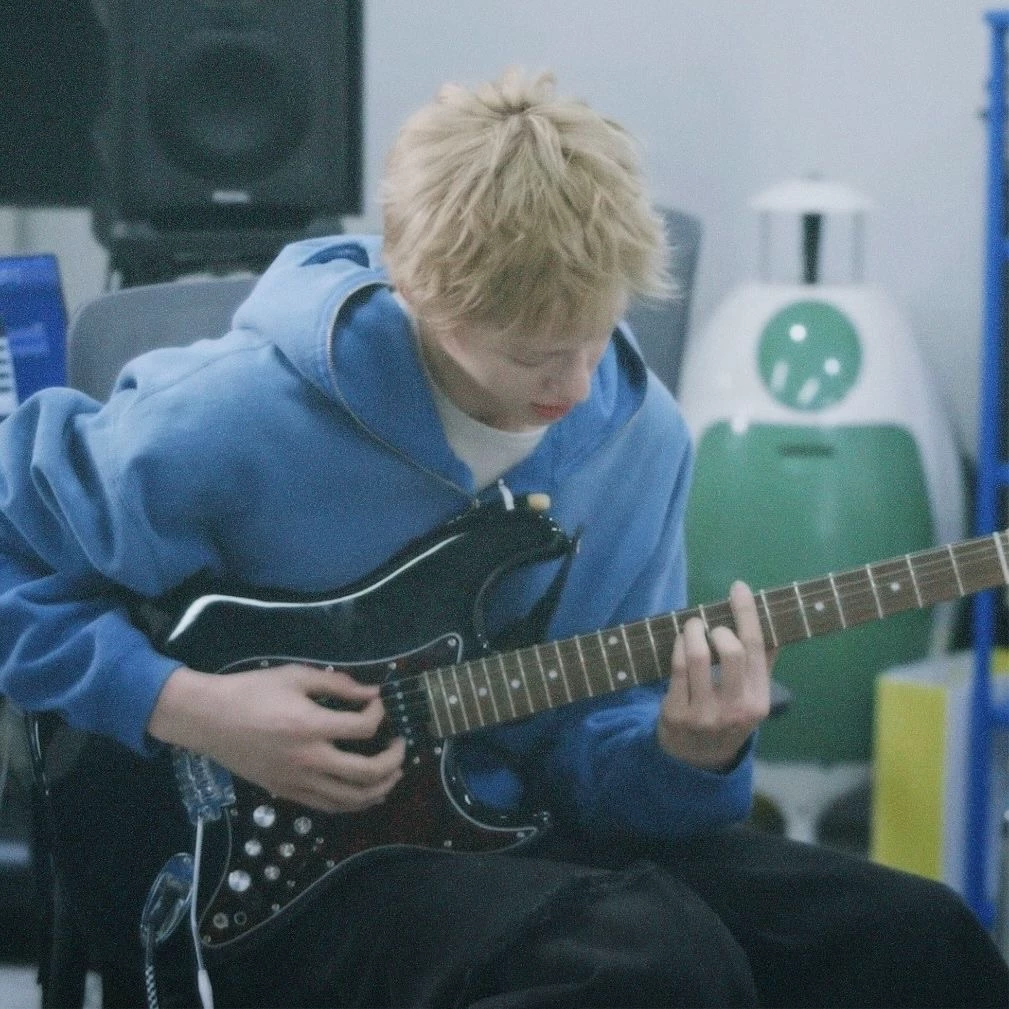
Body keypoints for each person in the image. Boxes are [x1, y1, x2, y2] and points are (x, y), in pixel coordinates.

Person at [1, 69, 1005, 1009]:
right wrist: (184, 704)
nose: (574, 385)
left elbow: (592, 759)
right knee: (650, 957)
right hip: (258, 871)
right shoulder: (232, 413)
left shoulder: (639, 437)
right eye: (530, 355)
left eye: (594, 333)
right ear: (422, 295)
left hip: (506, 835)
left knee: (914, 935)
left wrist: (687, 751)